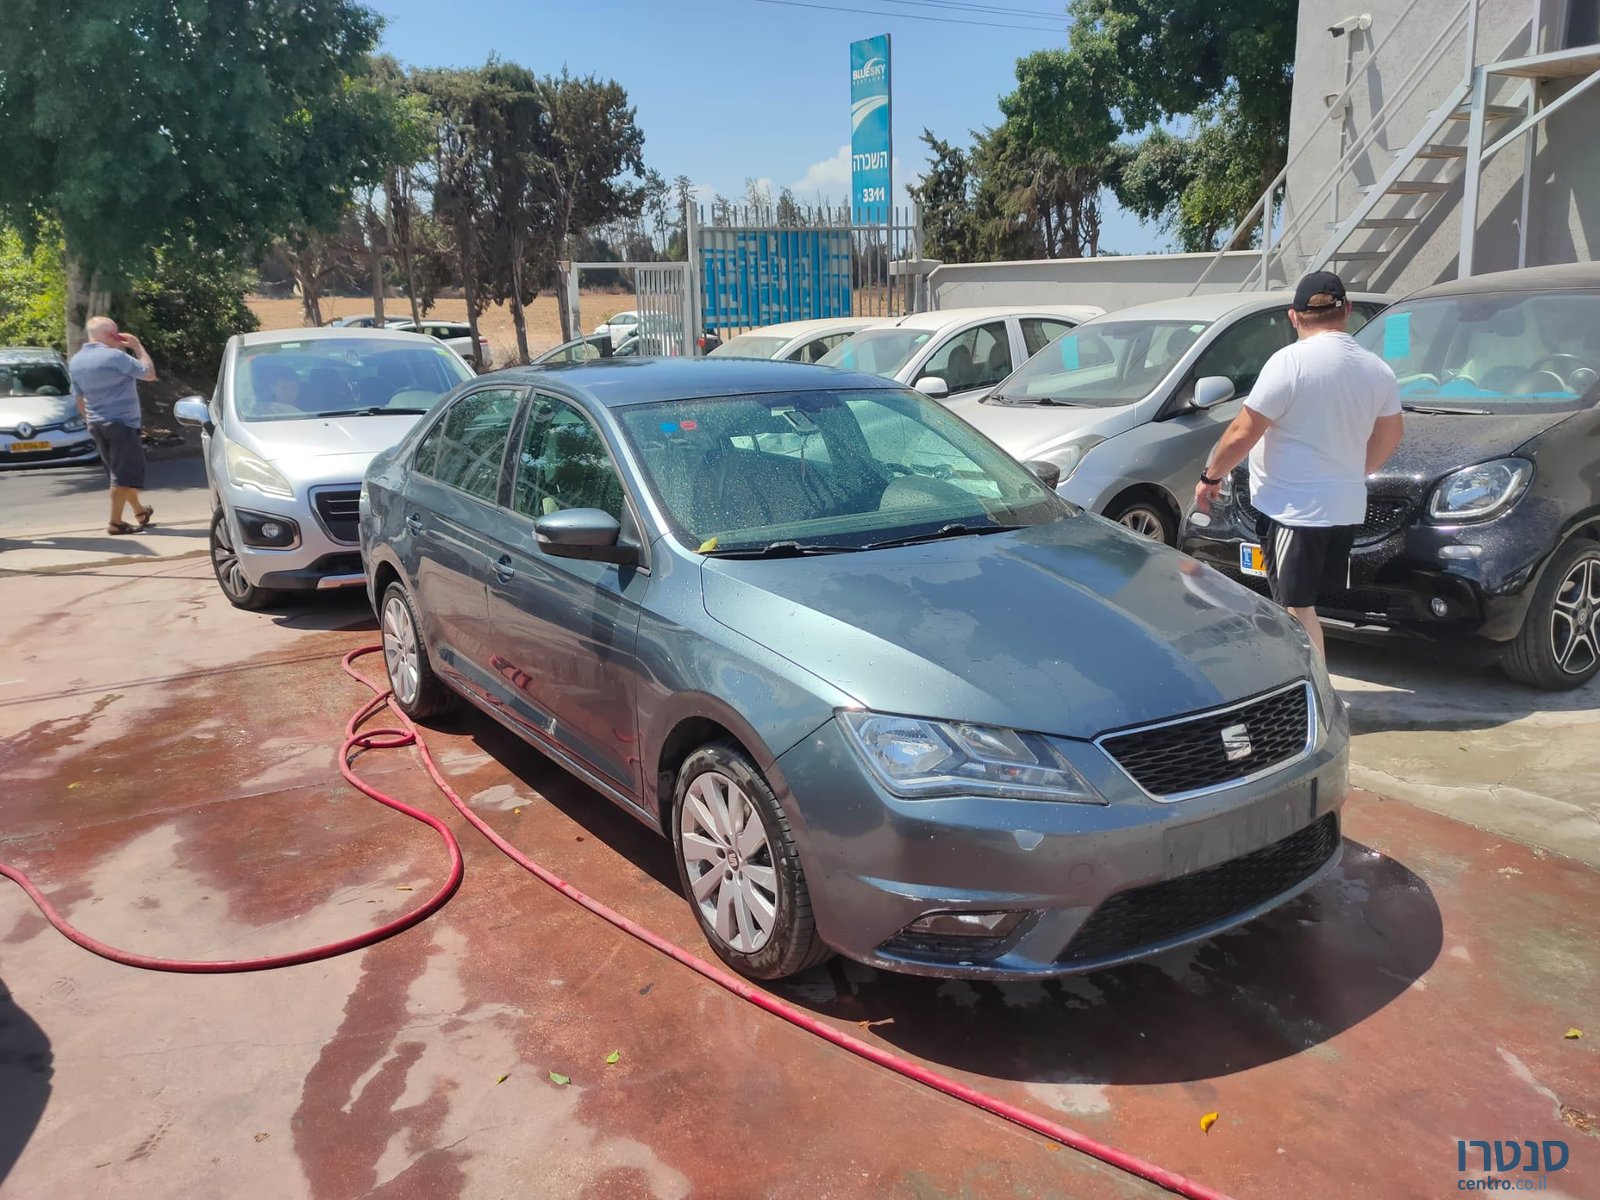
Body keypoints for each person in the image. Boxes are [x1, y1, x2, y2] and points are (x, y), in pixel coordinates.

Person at [1193, 271, 1405, 659]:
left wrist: (1211, 476)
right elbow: (1391, 434)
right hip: (1342, 509)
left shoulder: (1289, 362)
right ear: (1348, 312)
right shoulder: (1377, 369)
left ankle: (1317, 700)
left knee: (1296, 610)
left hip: (1295, 512)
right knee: (1305, 605)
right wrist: (1352, 473)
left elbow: (1243, 431)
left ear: (1294, 317)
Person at [69, 317, 158, 535]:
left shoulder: (76, 361)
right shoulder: (116, 357)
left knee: (118, 473)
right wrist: (137, 346)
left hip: (96, 423)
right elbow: (149, 373)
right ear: (111, 335)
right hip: (122, 423)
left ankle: (139, 511)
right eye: (117, 333)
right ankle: (115, 522)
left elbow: (79, 398)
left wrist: (89, 420)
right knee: (122, 476)